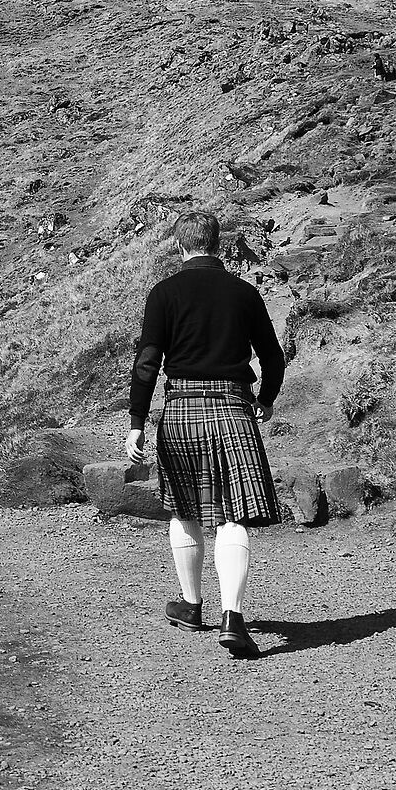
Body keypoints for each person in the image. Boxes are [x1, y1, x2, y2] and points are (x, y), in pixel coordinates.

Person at [124, 210, 287, 657]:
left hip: (180, 410)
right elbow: (273, 356)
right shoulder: (244, 292)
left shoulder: (164, 293)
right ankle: (233, 618)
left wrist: (137, 422)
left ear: (180, 245)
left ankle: (192, 605)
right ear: (218, 244)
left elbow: (147, 363)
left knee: (184, 509)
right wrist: (266, 398)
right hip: (233, 409)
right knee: (233, 516)